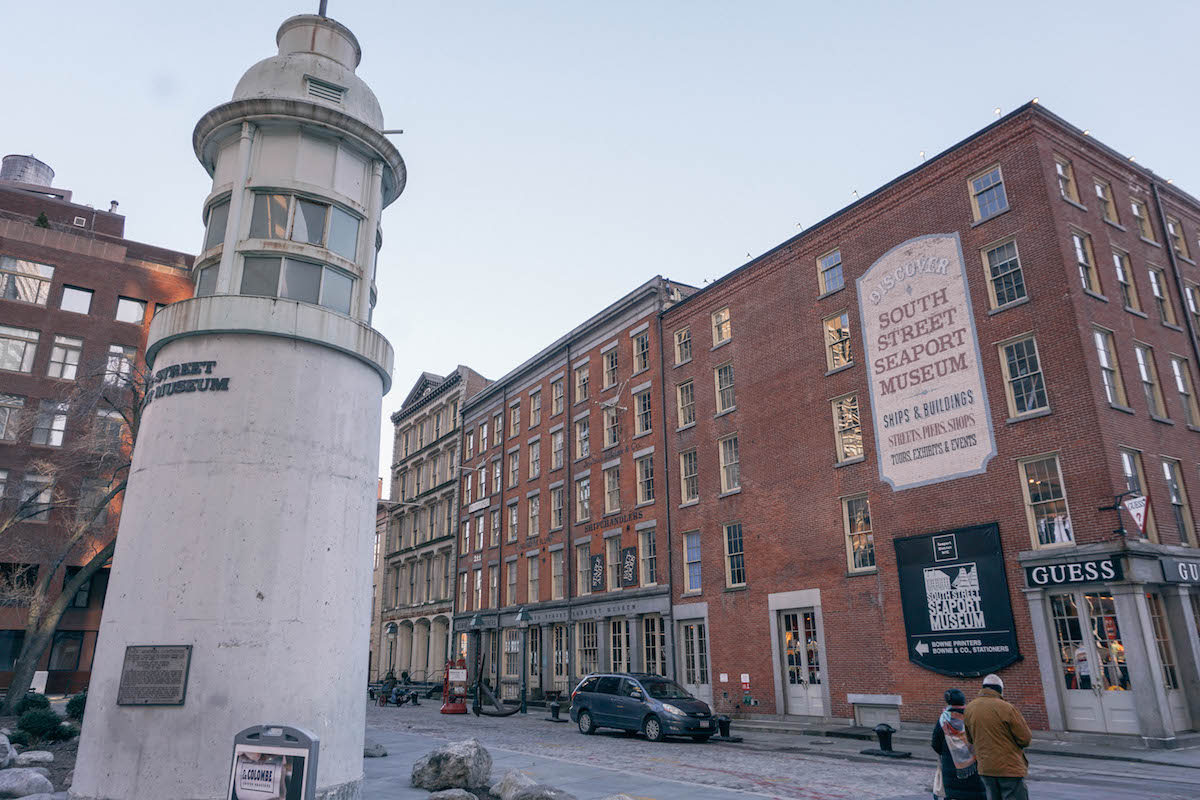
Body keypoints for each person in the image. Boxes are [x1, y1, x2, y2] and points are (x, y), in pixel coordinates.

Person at [963, 674, 1032, 800]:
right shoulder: (1007, 708)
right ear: (1000, 690)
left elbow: (970, 739)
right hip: (1009, 768)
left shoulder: (969, 708)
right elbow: (1025, 739)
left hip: (985, 768)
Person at [931, 688, 986, 800]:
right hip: (973, 764)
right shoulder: (972, 717)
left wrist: (949, 752)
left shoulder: (943, 720)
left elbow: (935, 744)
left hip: (951, 764)